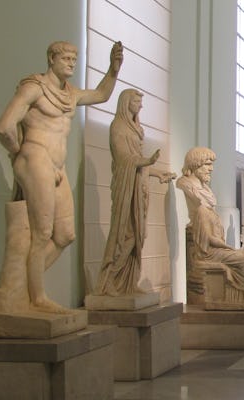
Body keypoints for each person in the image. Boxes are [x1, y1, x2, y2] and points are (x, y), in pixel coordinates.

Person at [0, 40, 123, 313]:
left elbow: (101, 94)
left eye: (74, 60)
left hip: (57, 165)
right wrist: (19, 153)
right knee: (41, 232)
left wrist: (113, 70)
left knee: (64, 235)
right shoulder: (34, 88)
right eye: (65, 58)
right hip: (36, 157)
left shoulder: (70, 93)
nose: (71, 63)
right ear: (51, 58)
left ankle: (20, 288)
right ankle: (37, 298)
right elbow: (5, 126)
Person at [95, 89, 176, 297]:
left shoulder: (135, 129)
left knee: (139, 234)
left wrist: (156, 173)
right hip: (125, 188)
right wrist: (148, 161)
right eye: (137, 102)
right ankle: (109, 281)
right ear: (126, 103)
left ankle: (129, 282)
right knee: (126, 234)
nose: (140, 106)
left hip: (138, 188)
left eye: (141, 102)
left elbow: (138, 162)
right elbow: (124, 159)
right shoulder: (118, 128)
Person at [177, 147, 244, 309]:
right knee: (242, 258)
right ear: (196, 164)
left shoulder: (205, 190)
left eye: (211, 164)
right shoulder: (186, 185)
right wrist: (228, 247)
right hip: (204, 246)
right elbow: (208, 236)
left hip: (211, 243)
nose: (211, 168)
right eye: (207, 164)